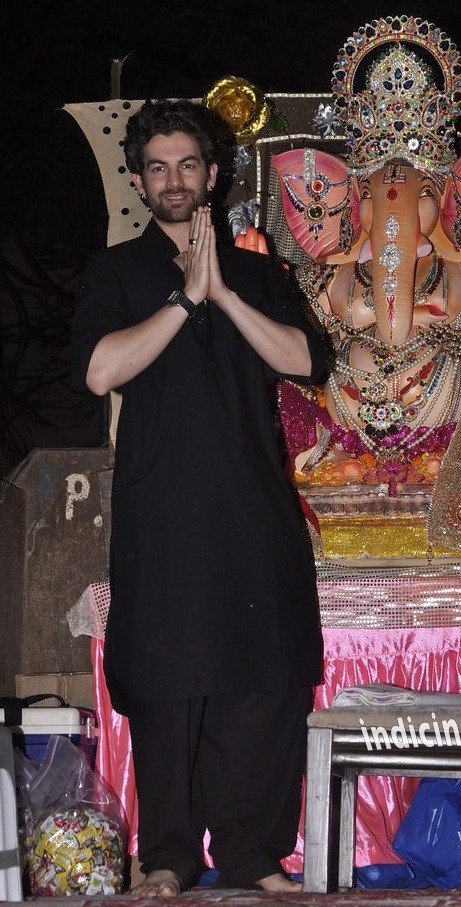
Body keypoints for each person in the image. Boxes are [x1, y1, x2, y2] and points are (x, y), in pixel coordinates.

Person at [71, 99, 327, 897]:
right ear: (142, 180)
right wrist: (183, 298)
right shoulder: (115, 270)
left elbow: (305, 361)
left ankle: (254, 853)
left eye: (188, 164)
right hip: (165, 512)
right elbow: (100, 370)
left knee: (263, 678)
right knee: (170, 679)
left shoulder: (258, 272)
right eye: (157, 167)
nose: (173, 179)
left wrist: (221, 292)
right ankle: (169, 856)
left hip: (253, 510)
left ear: (213, 175)